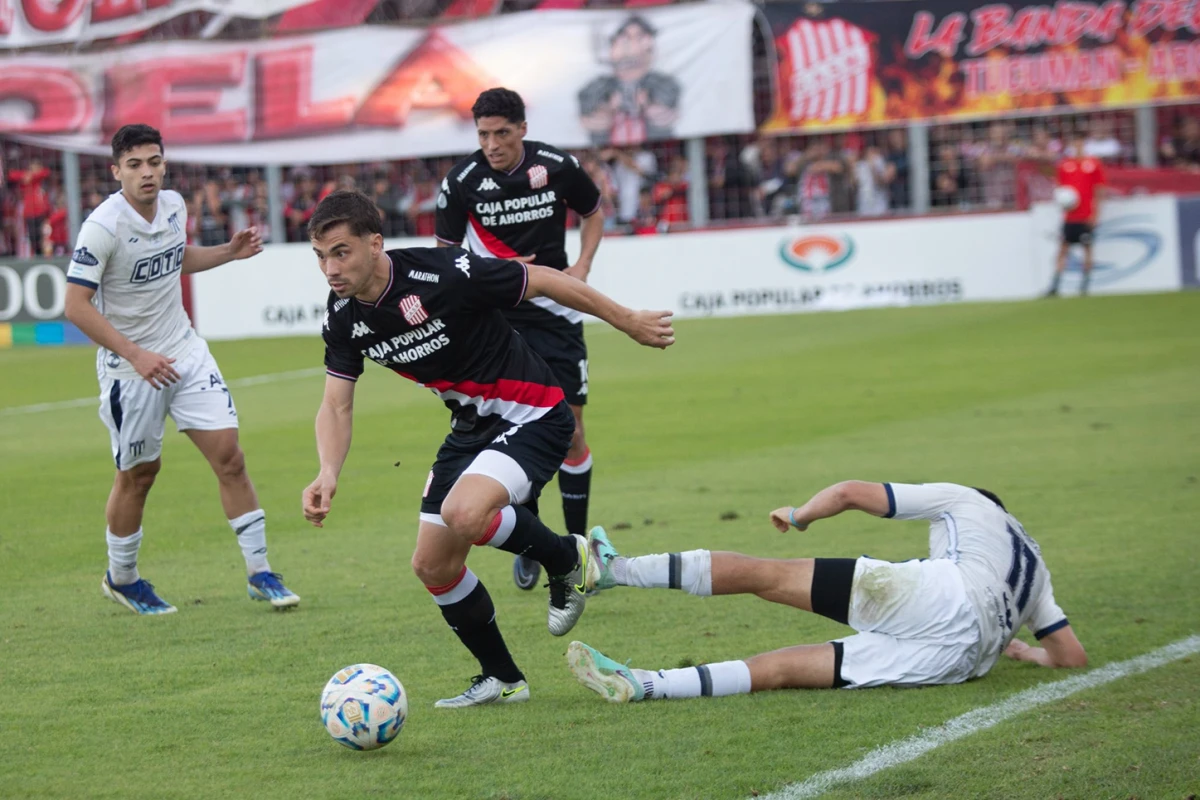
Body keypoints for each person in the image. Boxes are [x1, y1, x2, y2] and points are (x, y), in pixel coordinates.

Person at [302, 190, 673, 708]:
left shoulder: (442, 274)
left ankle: (570, 557)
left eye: (340, 252)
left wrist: (627, 320)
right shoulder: (342, 316)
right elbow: (336, 405)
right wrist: (326, 472)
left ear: (375, 243)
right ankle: (503, 678)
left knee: (464, 512)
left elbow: (544, 279)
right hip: (471, 429)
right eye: (320, 256)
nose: (329, 268)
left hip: (535, 412)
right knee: (432, 566)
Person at [63, 124, 299, 616]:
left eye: (154, 161)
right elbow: (76, 305)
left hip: (185, 352)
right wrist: (135, 354)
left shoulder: (173, 205)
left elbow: (175, 258)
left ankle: (260, 573)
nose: (146, 172)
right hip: (132, 374)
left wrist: (228, 254)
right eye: (135, 165)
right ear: (116, 172)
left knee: (229, 456)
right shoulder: (101, 228)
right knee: (139, 475)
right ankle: (122, 578)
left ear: (164, 163)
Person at [566, 481, 1085, 702]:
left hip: (945, 595)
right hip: (964, 659)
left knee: (765, 576)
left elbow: (849, 494)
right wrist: (1025, 651)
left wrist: (799, 515)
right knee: (784, 669)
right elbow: (1071, 657)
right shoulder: (1036, 567)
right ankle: (646, 685)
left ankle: (616, 570)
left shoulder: (967, 500)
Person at [435, 88, 607, 591]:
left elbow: (593, 211)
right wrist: (495, 272)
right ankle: (532, 540)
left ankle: (576, 548)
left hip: (556, 309)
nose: (492, 144)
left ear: (522, 129)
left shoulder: (555, 165)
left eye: (501, 133)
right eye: (483, 134)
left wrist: (583, 265)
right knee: (515, 429)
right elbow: (447, 259)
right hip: (499, 317)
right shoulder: (462, 182)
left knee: (572, 430)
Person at [1047, 134, 1106, 297]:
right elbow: (1061, 191)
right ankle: (1055, 286)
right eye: (1075, 143)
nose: (1077, 146)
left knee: (1087, 249)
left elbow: (1099, 190)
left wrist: (1096, 214)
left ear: (1084, 144)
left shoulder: (1093, 164)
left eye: (1080, 143)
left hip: (1086, 216)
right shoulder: (1064, 165)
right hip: (1069, 217)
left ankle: (1084, 287)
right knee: (1062, 250)